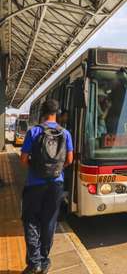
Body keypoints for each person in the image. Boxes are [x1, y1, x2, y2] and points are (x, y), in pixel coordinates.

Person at [20, 99, 73, 274]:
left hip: (35, 184)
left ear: (42, 113)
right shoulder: (65, 133)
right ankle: (44, 261)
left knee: (30, 221)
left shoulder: (34, 131)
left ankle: (34, 262)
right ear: (56, 113)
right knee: (49, 222)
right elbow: (70, 160)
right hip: (56, 184)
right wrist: (56, 171)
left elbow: (23, 159)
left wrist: (37, 169)